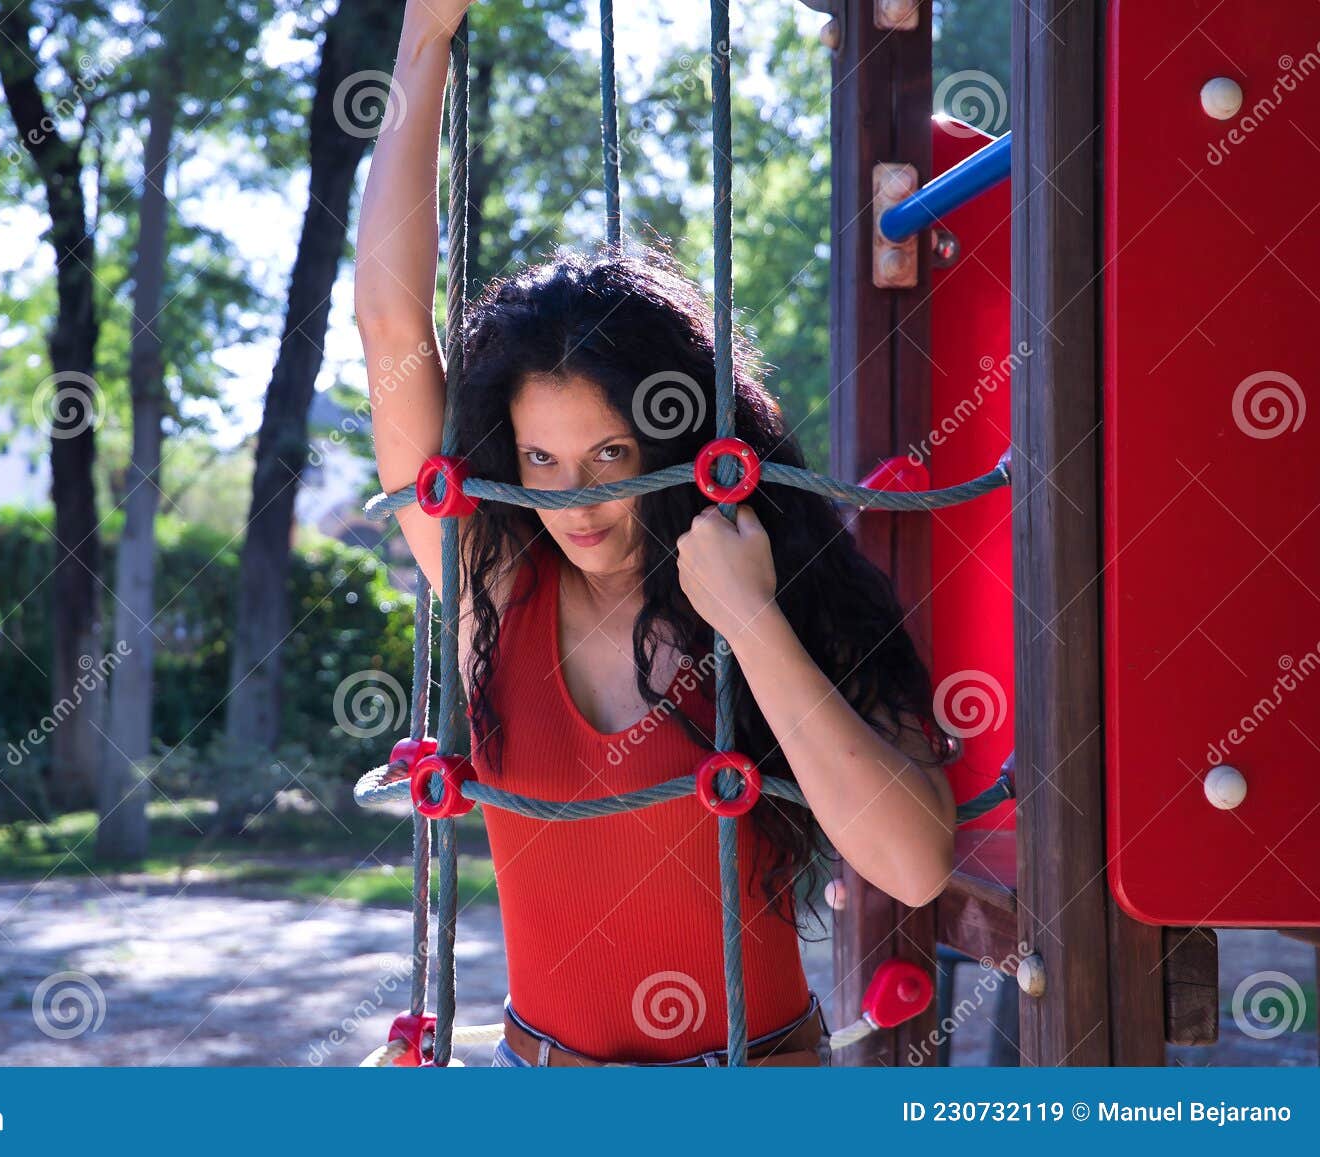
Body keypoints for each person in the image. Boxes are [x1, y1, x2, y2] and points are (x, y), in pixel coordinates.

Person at [354, 0, 958, 1068]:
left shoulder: (788, 582)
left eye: (610, 457)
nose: (574, 500)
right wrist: (423, 39)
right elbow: (392, 326)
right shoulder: (495, 583)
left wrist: (748, 617)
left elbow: (910, 866)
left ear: (678, 441)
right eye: (540, 461)